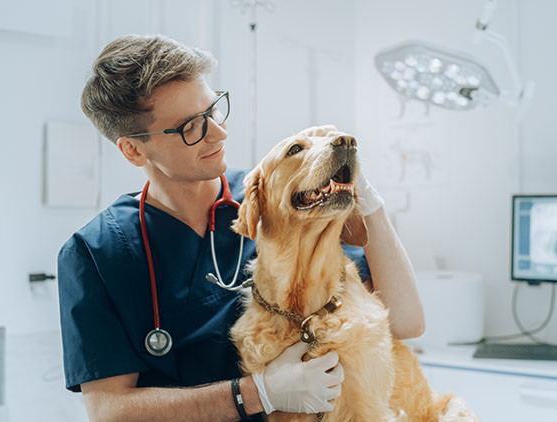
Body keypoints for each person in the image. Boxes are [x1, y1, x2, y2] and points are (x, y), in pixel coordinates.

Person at [57, 34, 425, 422]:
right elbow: (109, 410)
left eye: (213, 110)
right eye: (189, 128)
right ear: (134, 149)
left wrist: (368, 201)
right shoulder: (96, 254)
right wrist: (254, 393)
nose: (218, 133)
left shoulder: (274, 201)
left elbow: (406, 321)